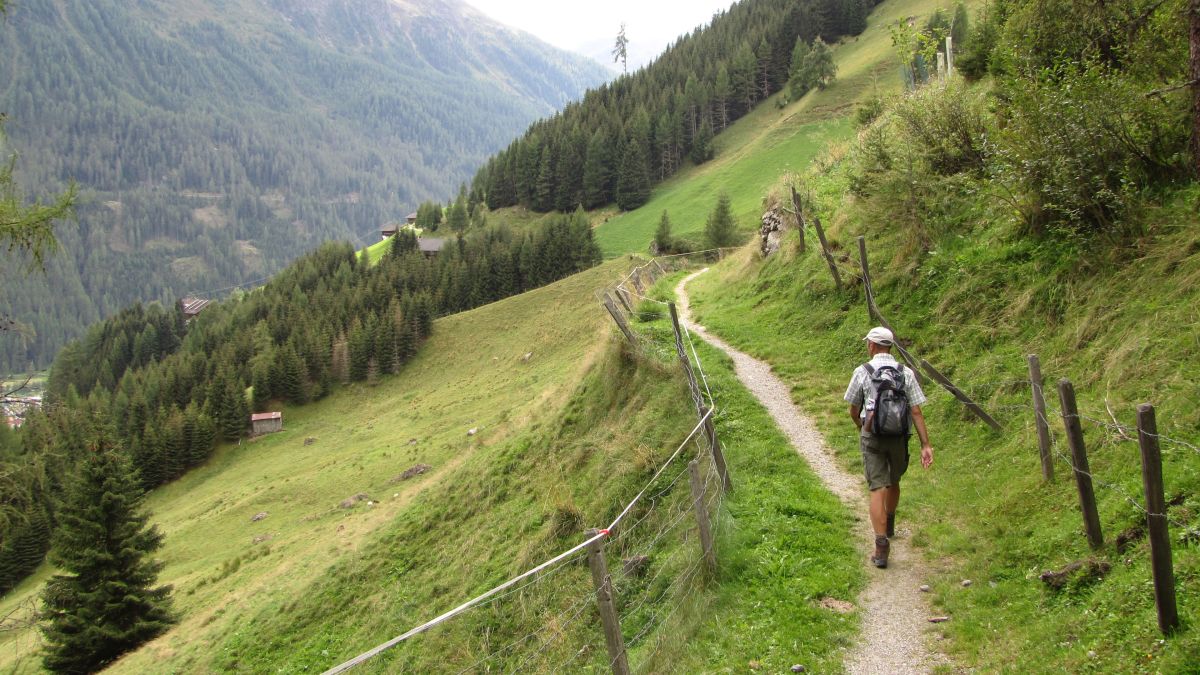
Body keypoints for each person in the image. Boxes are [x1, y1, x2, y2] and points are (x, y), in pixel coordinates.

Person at [844, 327, 933, 568]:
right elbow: (916, 410)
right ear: (890, 347)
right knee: (893, 481)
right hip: (899, 437)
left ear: (872, 345)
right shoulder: (906, 373)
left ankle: (881, 546)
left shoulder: (863, 371)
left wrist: (861, 425)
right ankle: (889, 521)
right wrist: (926, 444)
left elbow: (853, 407)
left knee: (876, 488)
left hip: (872, 436)